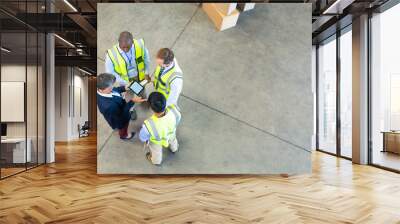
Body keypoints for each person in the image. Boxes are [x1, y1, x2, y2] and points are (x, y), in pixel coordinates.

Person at [97, 73, 146, 140]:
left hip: (119, 110)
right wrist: (133, 101)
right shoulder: (109, 106)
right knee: (123, 128)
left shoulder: (104, 90)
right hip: (121, 121)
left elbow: (115, 90)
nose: (112, 87)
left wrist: (124, 88)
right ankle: (124, 136)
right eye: (110, 87)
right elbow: (122, 114)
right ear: (102, 89)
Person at [139, 92, 181, 165]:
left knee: (156, 152)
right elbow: (178, 119)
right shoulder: (174, 110)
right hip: (171, 133)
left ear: (151, 108)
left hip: (156, 141)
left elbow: (142, 137)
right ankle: (174, 148)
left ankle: (156, 161)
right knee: (173, 140)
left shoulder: (148, 125)